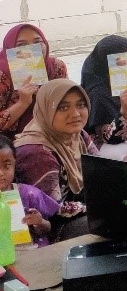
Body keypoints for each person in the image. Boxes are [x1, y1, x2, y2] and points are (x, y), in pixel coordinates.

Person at [14, 79, 96, 241]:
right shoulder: (37, 152)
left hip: (80, 211)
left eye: (80, 105)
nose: (75, 114)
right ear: (46, 110)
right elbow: (52, 211)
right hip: (49, 228)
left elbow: (102, 173)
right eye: (63, 107)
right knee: (111, 224)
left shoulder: (77, 136)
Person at [79, 35, 127, 162]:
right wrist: (124, 111)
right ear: (107, 62)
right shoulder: (98, 92)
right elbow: (109, 138)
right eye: (123, 60)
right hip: (102, 146)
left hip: (125, 140)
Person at [0, 23, 69, 139]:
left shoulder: (56, 67)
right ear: (9, 48)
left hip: (51, 136)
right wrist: (22, 103)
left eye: (37, 42)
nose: (31, 49)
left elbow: (68, 105)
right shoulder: (2, 75)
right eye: (21, 45)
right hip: (9, 144)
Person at [0, 135, 59, 247]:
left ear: (14, 164)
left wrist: (39, 222)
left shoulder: (29, 194)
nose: (1, 173)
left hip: (31, 252)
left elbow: (49, 228)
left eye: (6, 166)